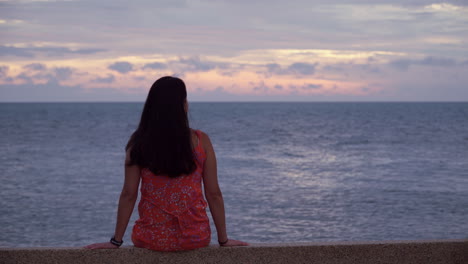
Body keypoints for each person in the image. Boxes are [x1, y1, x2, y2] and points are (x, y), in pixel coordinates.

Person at [85, 76, 248, 251]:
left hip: (151, 238)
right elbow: (213, 193)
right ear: (182, 105)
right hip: (194, 237)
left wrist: (115, 241)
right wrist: (223, 240)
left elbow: (128, 194)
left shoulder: (138, 143)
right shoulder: (201, 141)